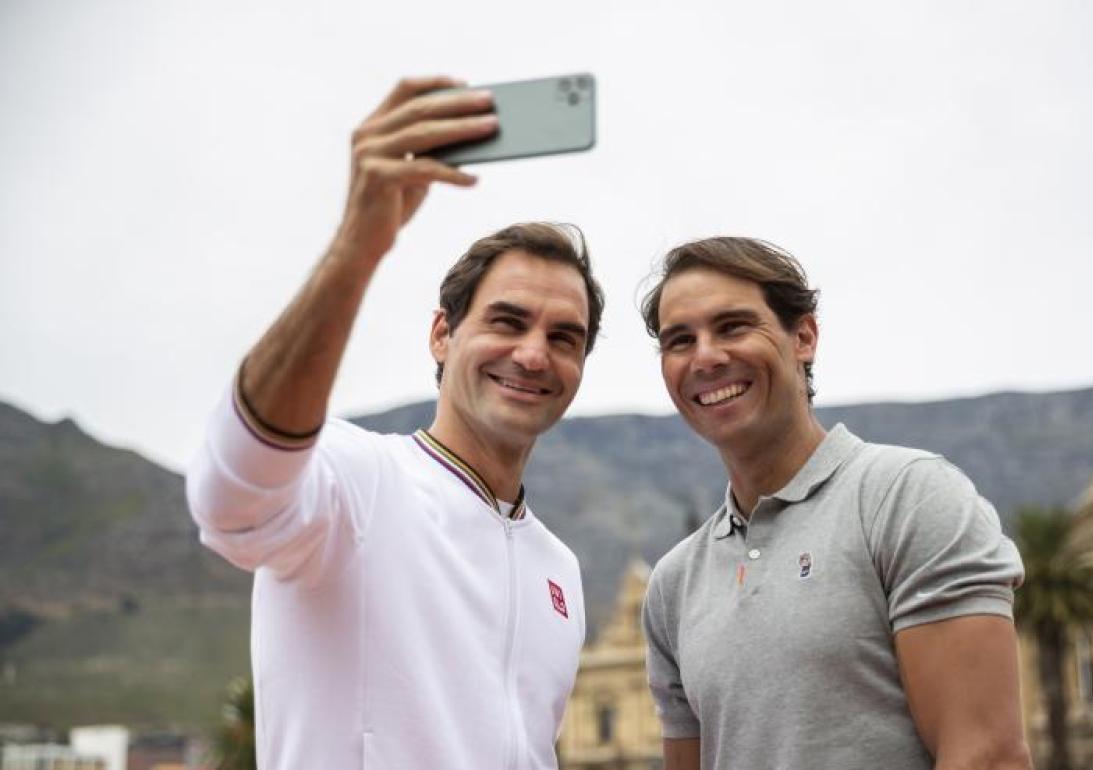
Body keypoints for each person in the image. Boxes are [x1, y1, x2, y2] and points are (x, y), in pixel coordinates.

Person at [185, 76, 604, 770]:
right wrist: (358, 244)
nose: (533, 354)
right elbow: (231, 499)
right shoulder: (358, 480)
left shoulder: (559, 568)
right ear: (443, 334)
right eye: (506, 320)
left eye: (565, 337)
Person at [639, 237, 1030, 770]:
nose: (706, 357)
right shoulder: (672, 584)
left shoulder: (908, 498)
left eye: (732, 327)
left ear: (804, 335)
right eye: (680, 340)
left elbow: (986, 756)